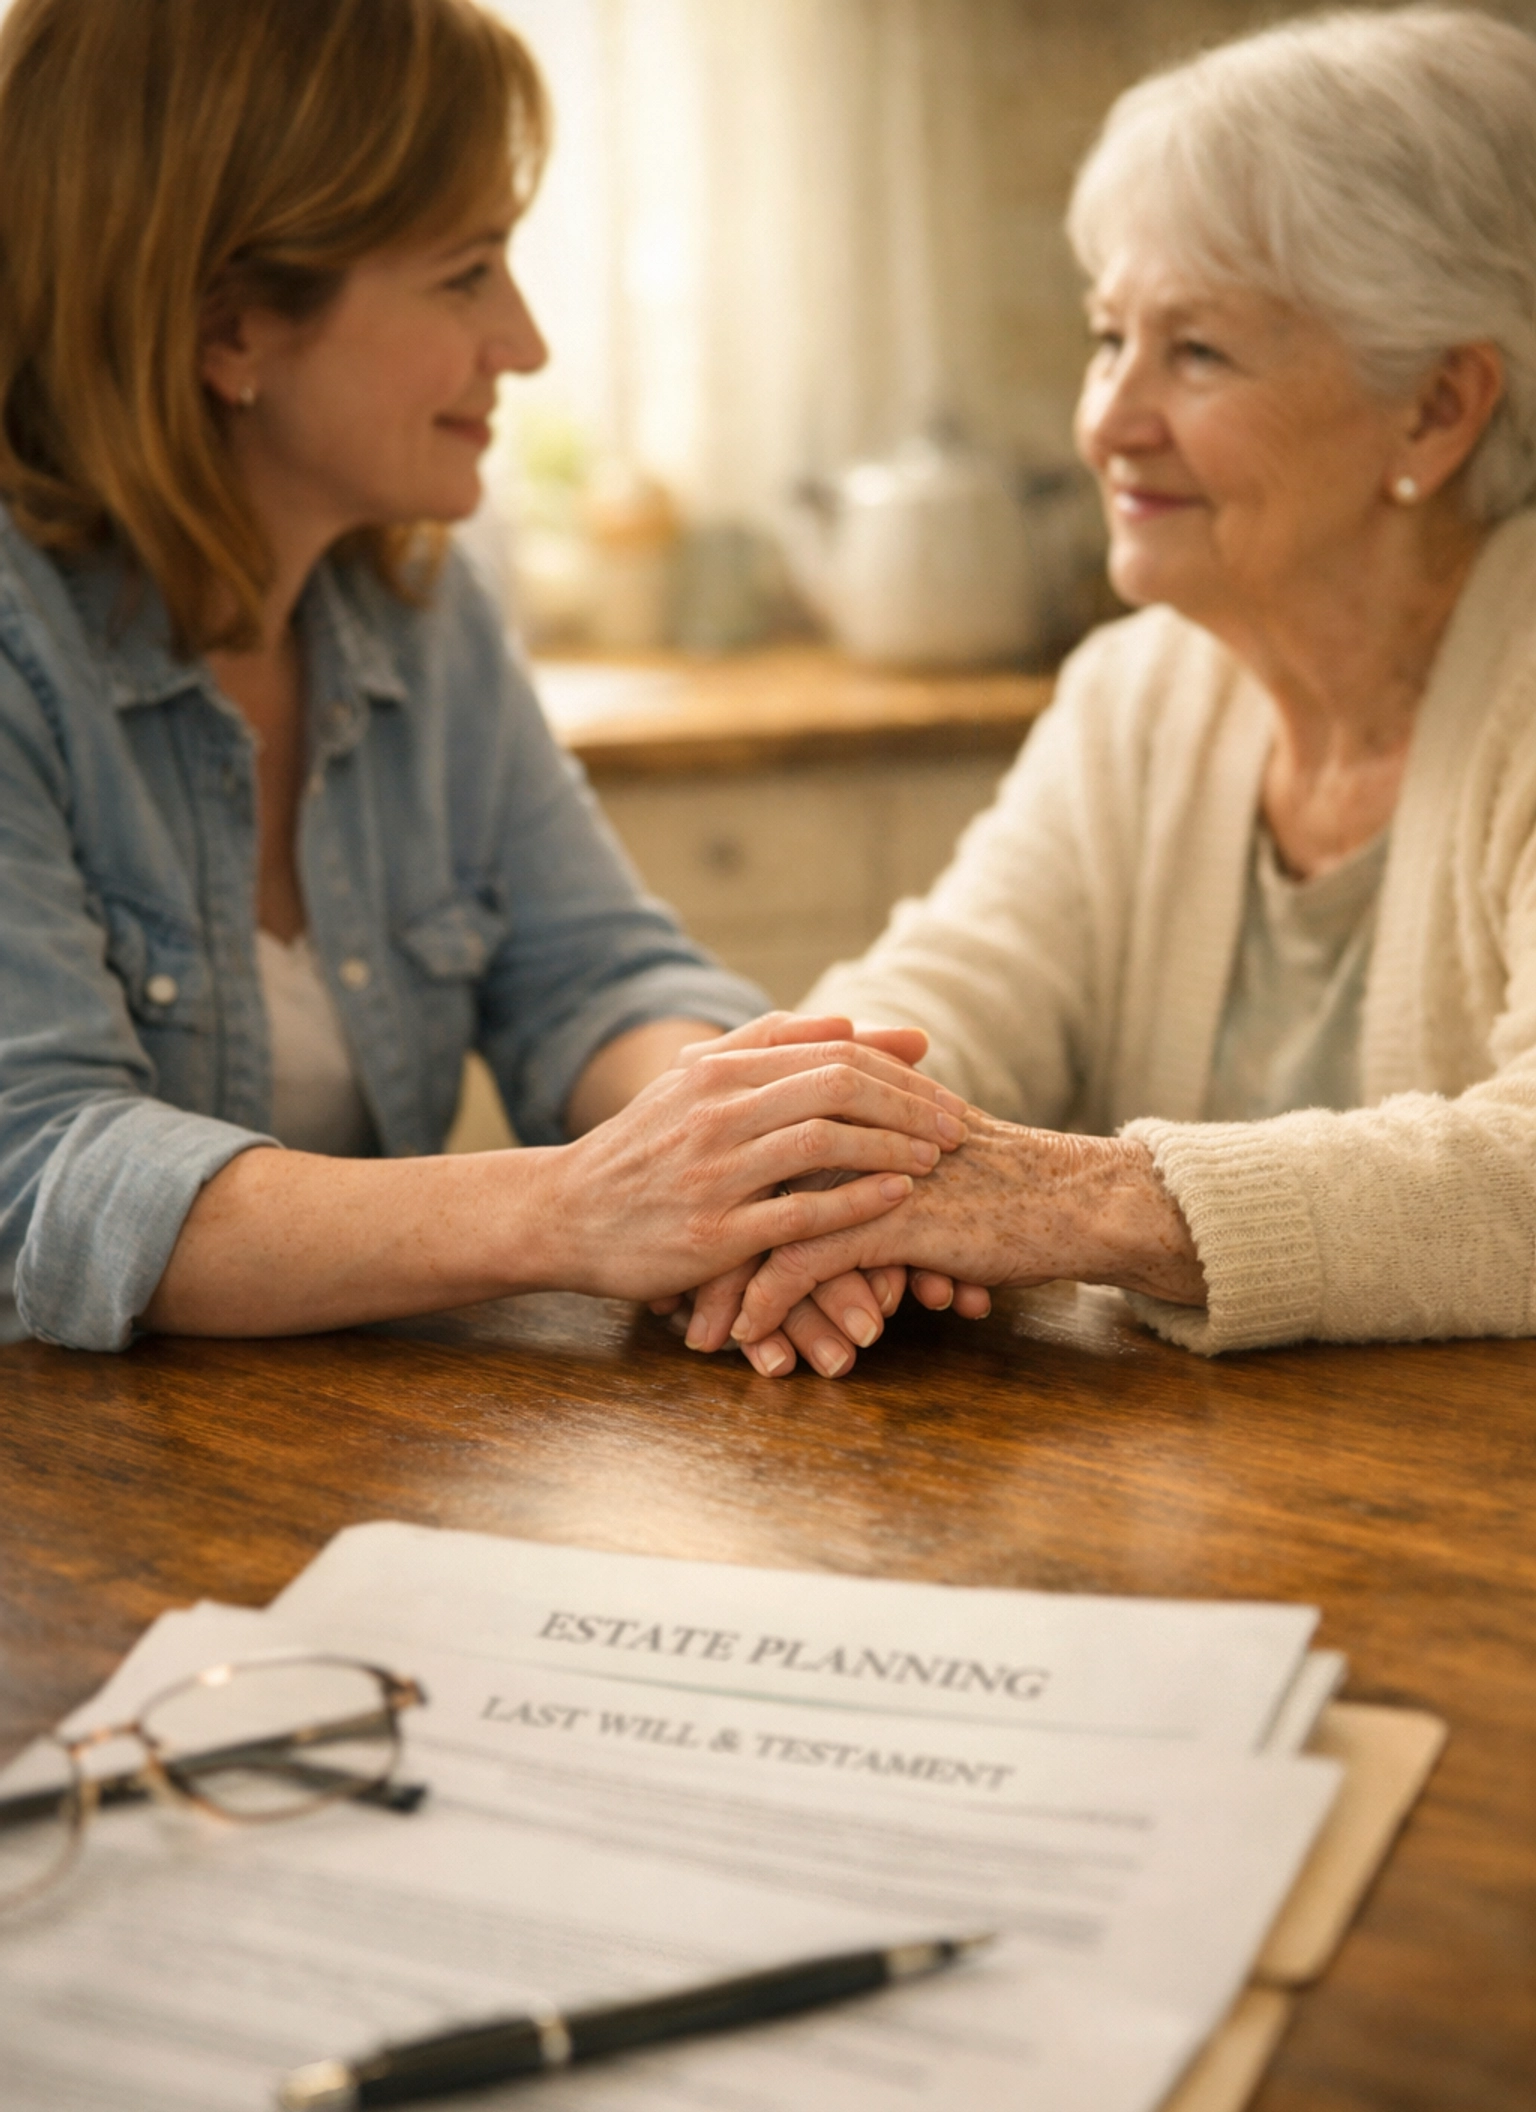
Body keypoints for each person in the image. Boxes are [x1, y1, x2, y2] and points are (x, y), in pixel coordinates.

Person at [0, 0, 970, 1356]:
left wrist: (760, 1160)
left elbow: (592, 973)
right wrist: (581, 1207)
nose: (523, 343)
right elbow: (46, 1170)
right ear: (230, 329)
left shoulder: (416, 603)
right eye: (467, 275)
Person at [705, 5, 1536, 1368]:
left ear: (1439, 409)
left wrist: (1077, 1205)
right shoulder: (1140, 693)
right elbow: (956, 990)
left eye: (1197, 351)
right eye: (1109, 340)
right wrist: (812, 1167)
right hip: (1187, 1523)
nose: (1106, 421)